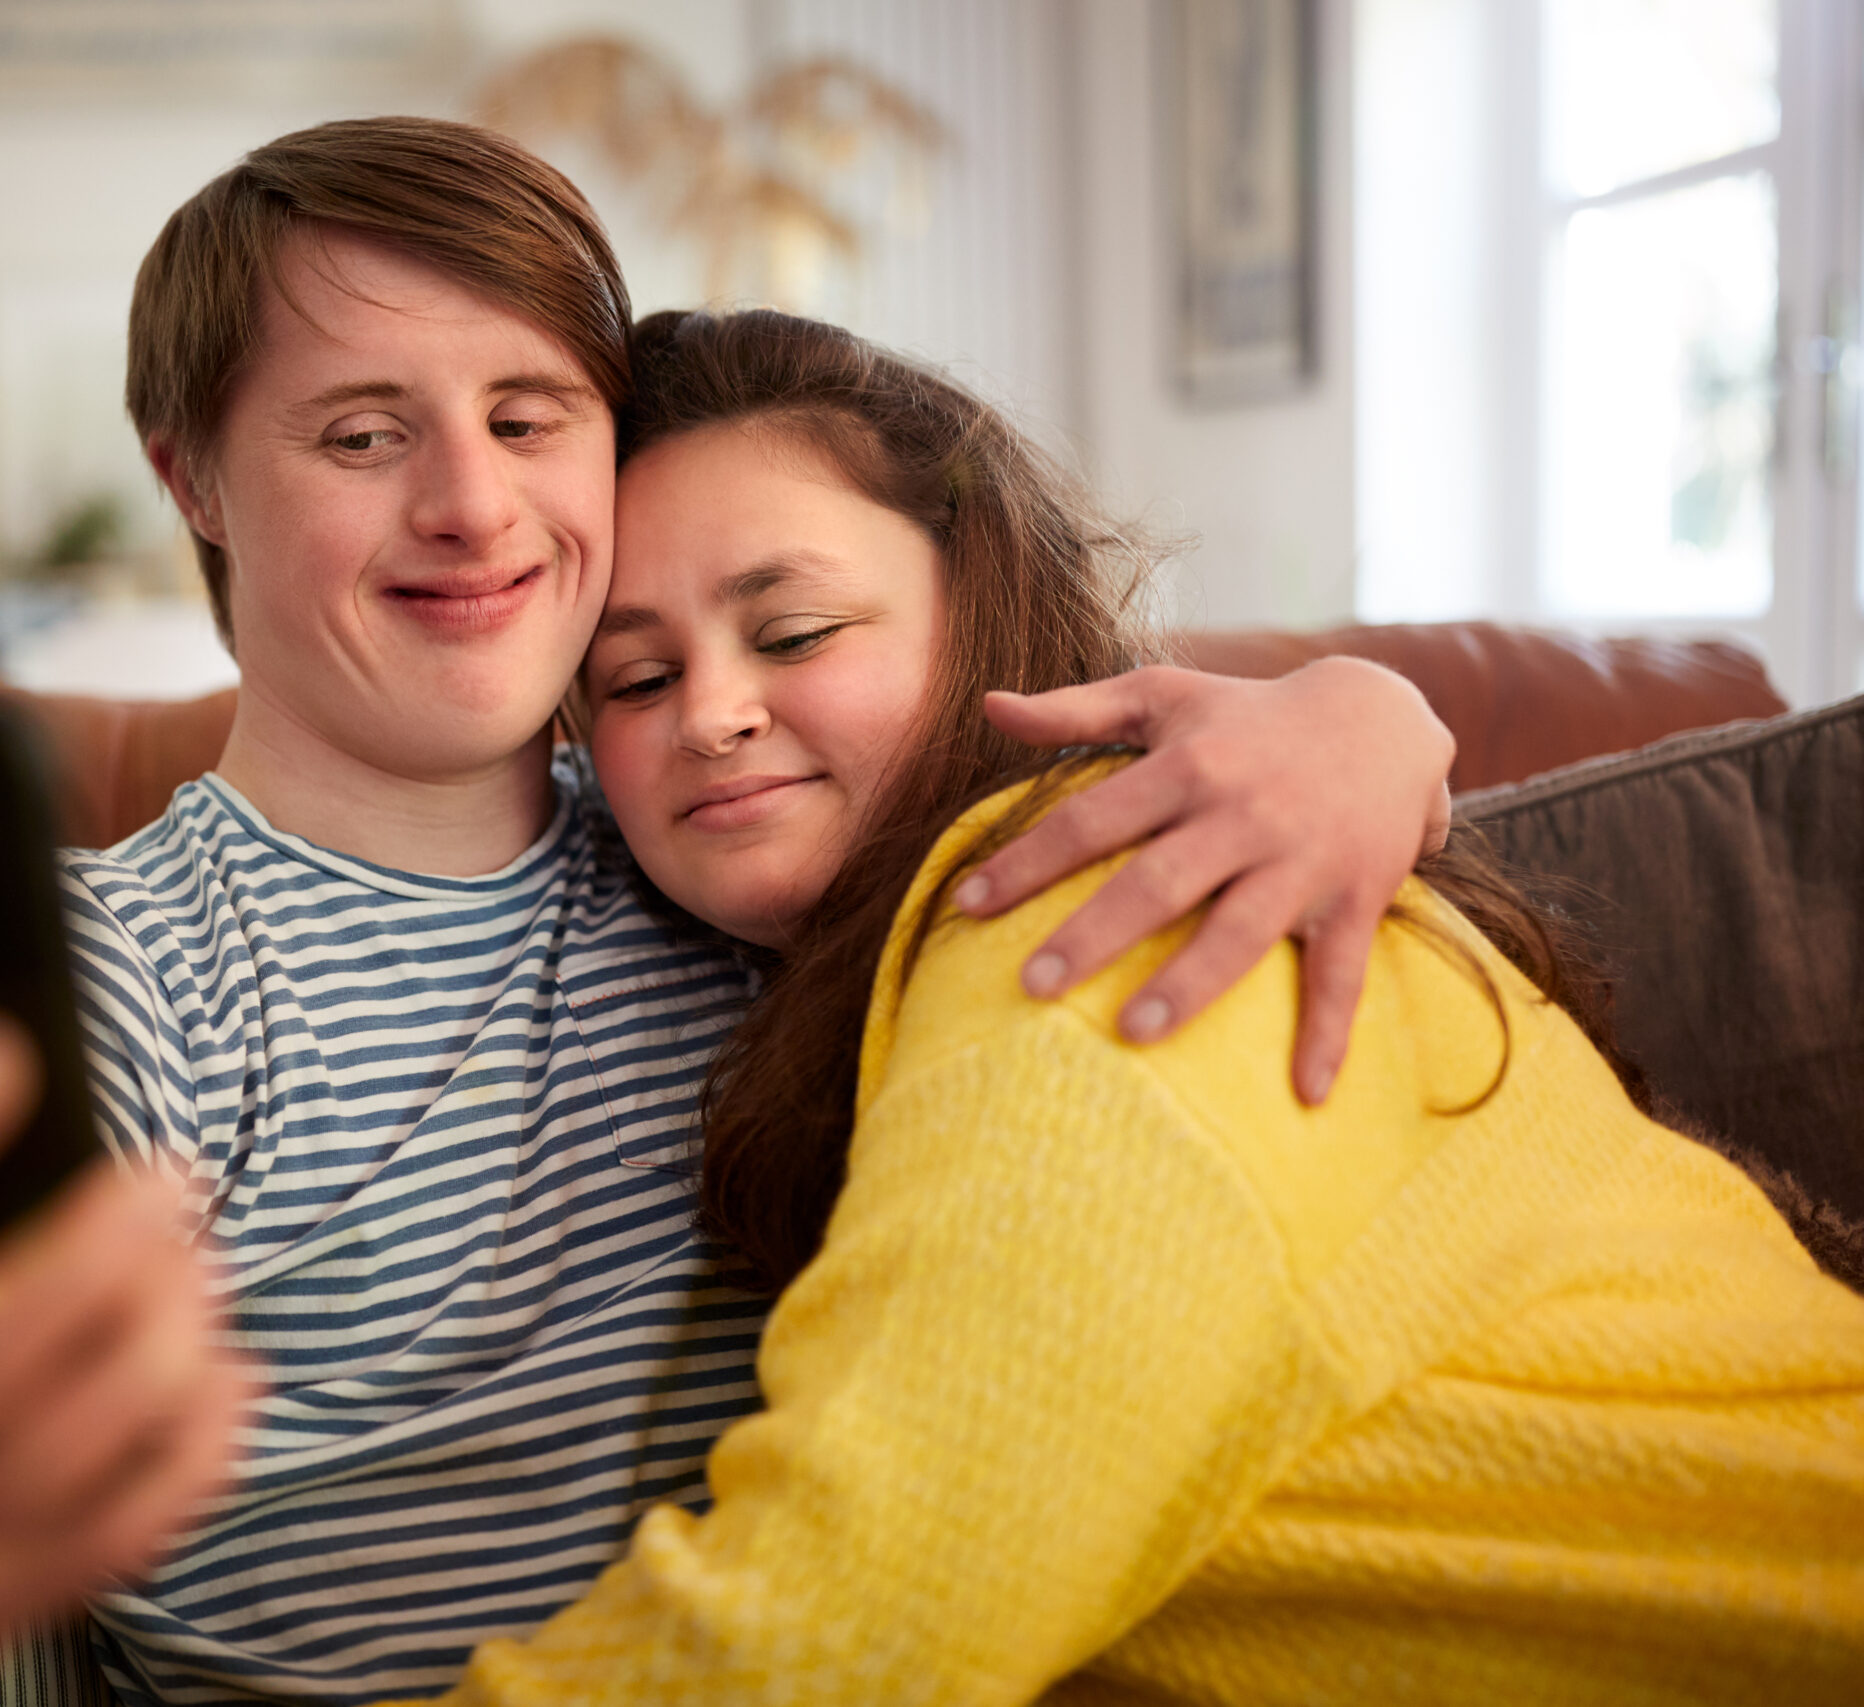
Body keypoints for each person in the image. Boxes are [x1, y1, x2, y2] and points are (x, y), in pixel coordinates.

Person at [0, 118, 1459, 1707]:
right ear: (193, 480)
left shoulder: (736, 846)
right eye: (361, 436)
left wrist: (1371, 722)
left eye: (528, 413)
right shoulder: (125, 977)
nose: (474, 507)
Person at [376, 306, 1864, 1705]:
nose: (709, 714)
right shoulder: (804, 958)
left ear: (984, 610)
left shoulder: (1106, 927)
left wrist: (1377, 709)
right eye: (634, 678)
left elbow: (823, 1626)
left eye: (796, 633)